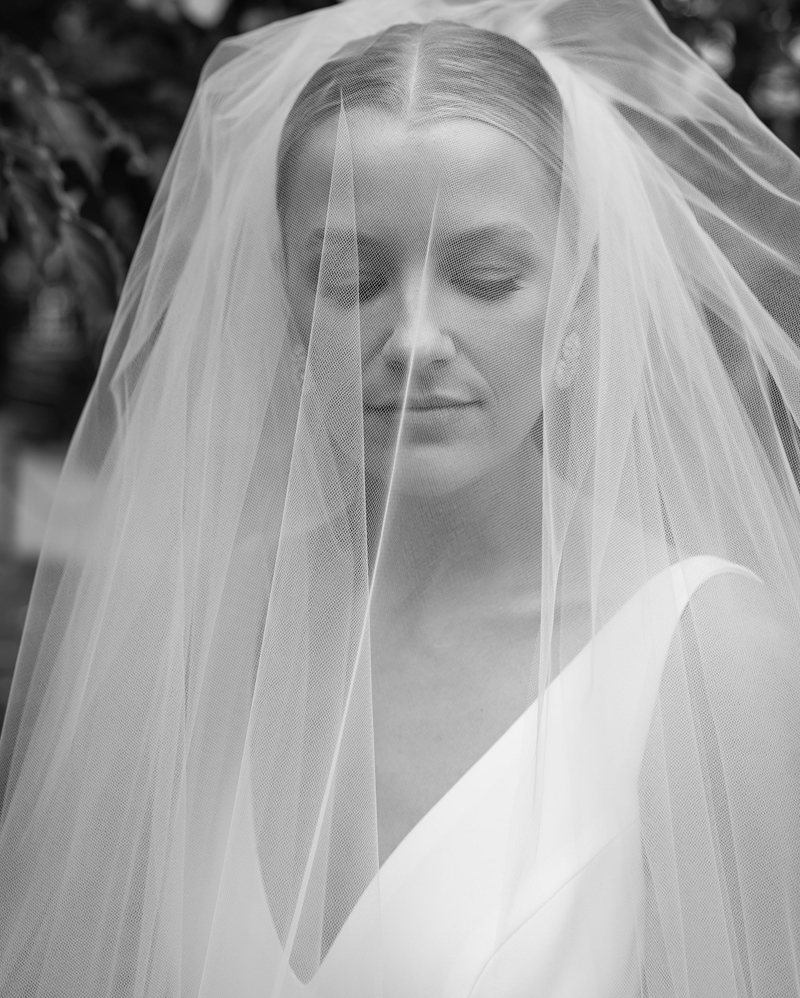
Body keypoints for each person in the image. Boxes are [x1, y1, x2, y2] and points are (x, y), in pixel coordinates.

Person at [1, 0, 799, 995]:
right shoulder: (203, 625)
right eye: (351, 278)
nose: (413, 336)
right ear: (287, 309)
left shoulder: (709, 658)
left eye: (484, 274)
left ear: (575, 306)